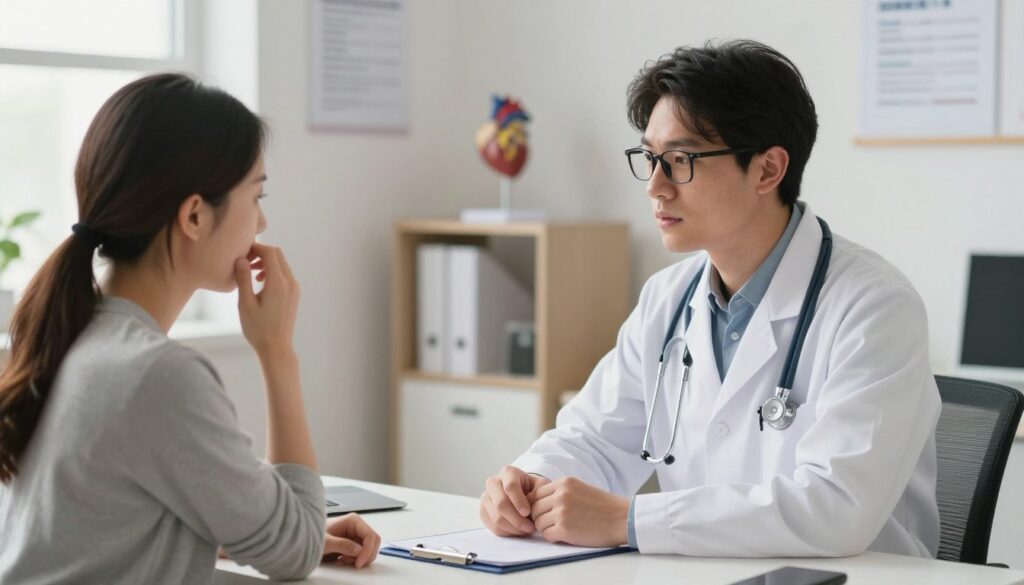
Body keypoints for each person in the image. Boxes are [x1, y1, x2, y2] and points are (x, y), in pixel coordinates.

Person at [479, 40, 941, 558]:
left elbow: (835, 508)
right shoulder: (668, 297)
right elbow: (594, 438)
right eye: (650, 158)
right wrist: (528, 485)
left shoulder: (874, 307)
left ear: (768, 170)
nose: (655, 186)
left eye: (680, 160)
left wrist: (627, 520)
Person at [0, 73, 380, 583]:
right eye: (256, 197)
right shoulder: (155, 373)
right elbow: (292, 554)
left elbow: (105, 515)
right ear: (195, 216)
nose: (261, 224)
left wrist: (236, 525)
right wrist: (277, 352)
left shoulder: (70, 333)